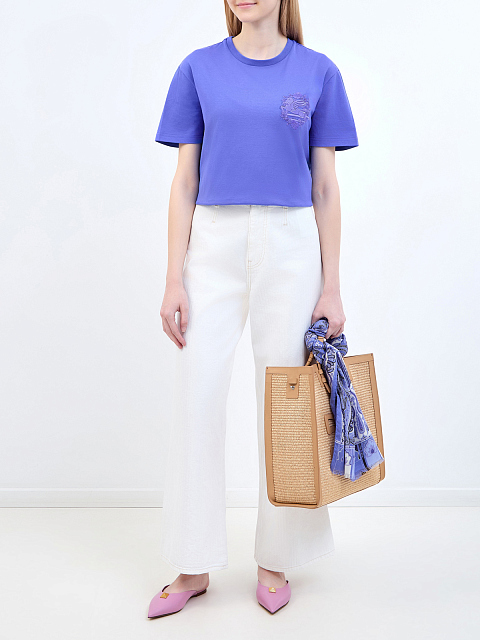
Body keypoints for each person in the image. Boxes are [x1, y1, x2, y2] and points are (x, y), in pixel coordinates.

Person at [148, 0, 359, 618]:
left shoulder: (318, 72)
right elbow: (184, 182)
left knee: (285, 398)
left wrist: (332, 286)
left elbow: (325, 187)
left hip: (291, 244)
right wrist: (173, 277)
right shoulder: (197, 69)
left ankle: (276, 558)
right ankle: (192, 563)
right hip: (211, 243)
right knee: (197, 394)